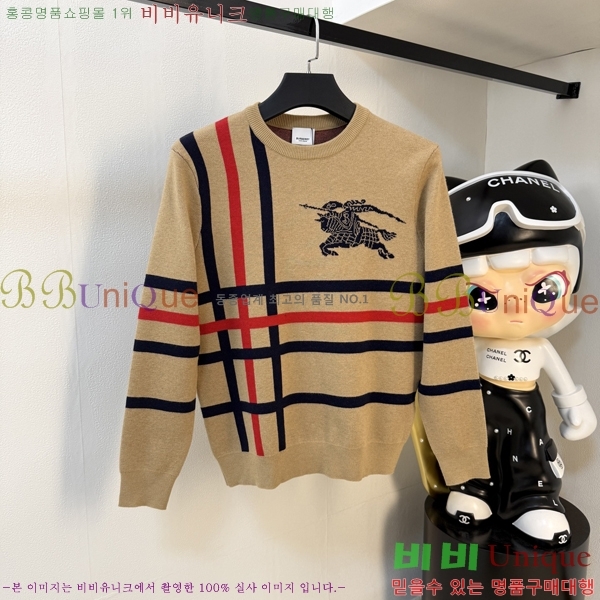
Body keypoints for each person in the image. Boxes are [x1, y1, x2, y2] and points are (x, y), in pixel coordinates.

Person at [443, 160, 596, 546]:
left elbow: (562, 383)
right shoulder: (471, 344)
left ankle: (532, 498)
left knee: (528, 452)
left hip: (524, 409)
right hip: (478, 403)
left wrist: (576, 408)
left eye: (543, 289)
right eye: (482, 296)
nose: (515, 309)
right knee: (473, 447)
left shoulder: (539, 347)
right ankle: (474, 489)